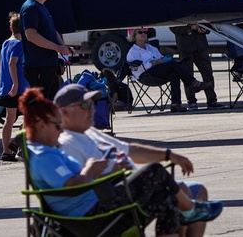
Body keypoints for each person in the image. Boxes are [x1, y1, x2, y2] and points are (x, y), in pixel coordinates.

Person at [20, 87, 218, 236]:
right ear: (41, 124)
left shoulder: (58, 147)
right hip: (92, 214)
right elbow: (70, 186)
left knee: (166, 199)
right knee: (155, 171)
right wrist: (93, 171)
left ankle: (188, 208)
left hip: (103, 206)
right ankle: (190, 209)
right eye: (56, 125)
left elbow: (129, 151)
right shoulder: (46, 155)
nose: (60, 129)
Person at [126, 28, 210, 112]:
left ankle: (175, 104)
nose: (143, 34)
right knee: (173, 65)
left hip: (158, 72)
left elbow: (161, 59)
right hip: (144, 75)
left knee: (174, 73)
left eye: (145, 32)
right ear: (134, 36)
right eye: (140, 32)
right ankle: (193, 83)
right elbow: (135, 68)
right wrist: (153, 63)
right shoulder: (133, 51)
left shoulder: (151, 48)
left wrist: (161, 61)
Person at [21, 0, 73, 99]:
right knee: (41, 108)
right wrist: (56, 47)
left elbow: (52, 31)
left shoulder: (41, 7)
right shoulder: (30, 7)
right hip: (38, 66)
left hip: (47, 65)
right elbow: (31, 35)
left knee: (49, 106)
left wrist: (62, 46)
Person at [0, 11, 28, 162]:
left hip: (5, 86)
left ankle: (6, 150)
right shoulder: (19, 44)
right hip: (18, 87)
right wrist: (16, 83)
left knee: (10, 118)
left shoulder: (6, 43)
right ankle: (16, 143)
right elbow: (12, 63)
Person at [169, 24, 220, 109]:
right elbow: (173, 27)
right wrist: (189, 28)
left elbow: (208, 22)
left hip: (201, 46)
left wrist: (205, 29)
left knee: (207, 73)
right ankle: (192, 101)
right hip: (186, 47)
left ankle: (212, 100)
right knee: (188, 74)